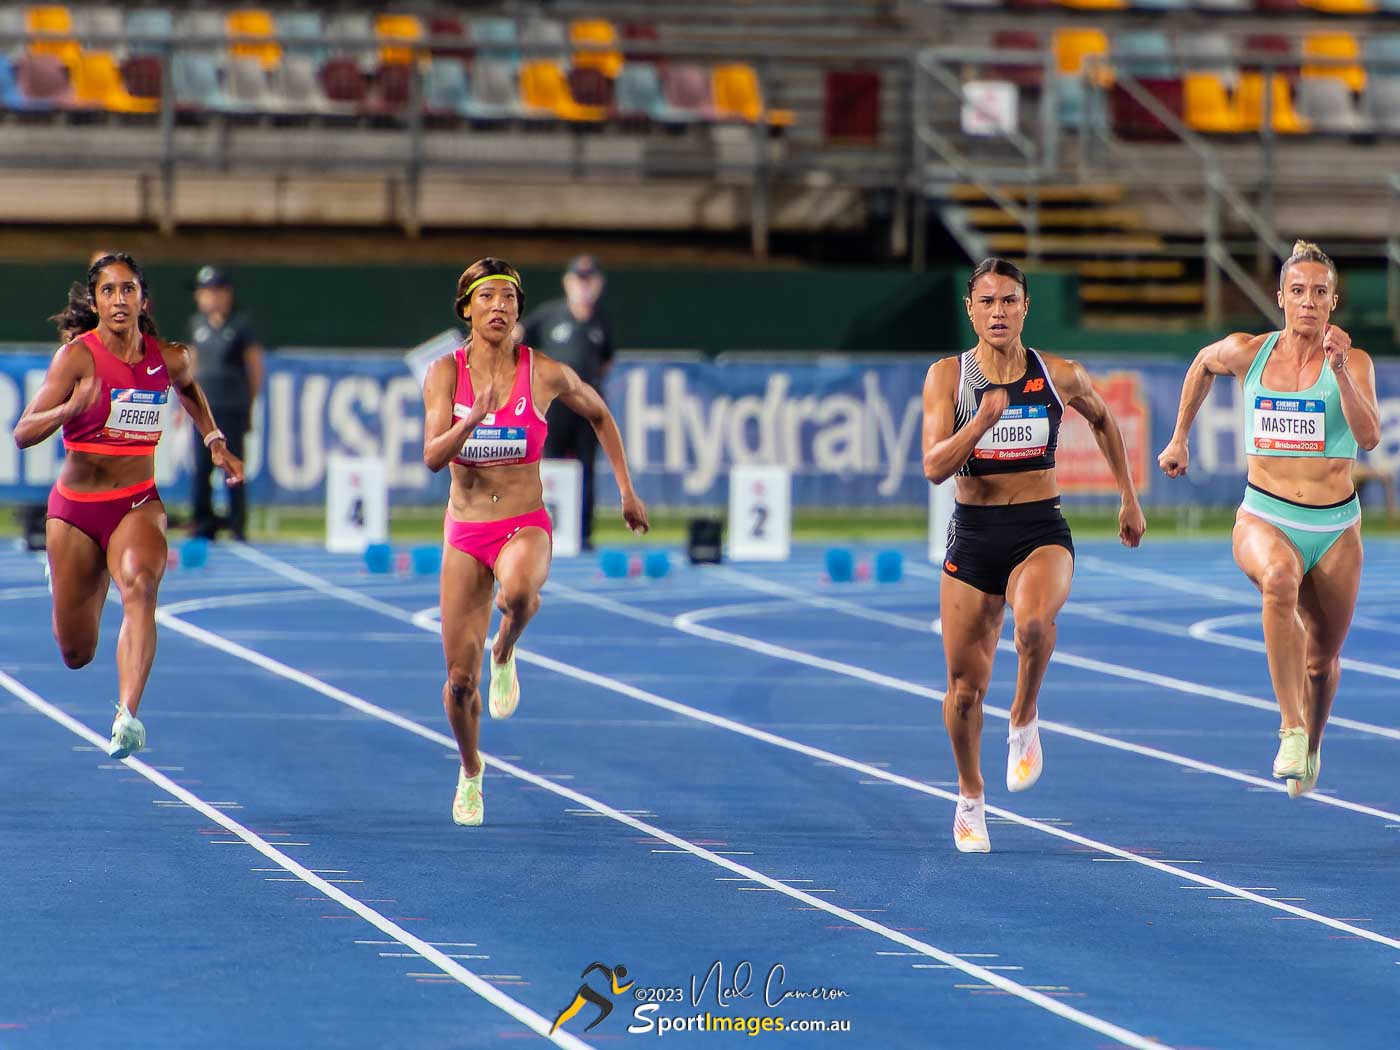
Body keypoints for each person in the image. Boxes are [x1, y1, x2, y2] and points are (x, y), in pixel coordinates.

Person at [922, 258, 1146, 853]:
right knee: (964, 689)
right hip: (972, 535)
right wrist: (981, 423)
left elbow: (1104, 421)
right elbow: (934, 467)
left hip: (1038, 527)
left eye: (1009, 301)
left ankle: (1023, 719)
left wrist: (1128, 495)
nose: (998, 312)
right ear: (969, 309)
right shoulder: (948, 378)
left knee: (1035, 623)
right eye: (987, 301)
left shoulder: (1058, 374)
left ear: (1026, 308)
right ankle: (970, 798)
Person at [423, 257, 648, 826]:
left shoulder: (542, 371)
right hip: (466, 532)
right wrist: (470, 420)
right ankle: (471, 770)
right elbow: (431, 457)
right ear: (467, 308)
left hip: (524, 522)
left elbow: (600, 415)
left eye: (510, 298)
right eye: (488, 297)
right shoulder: (444, 374)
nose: (500, 307)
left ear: (520, 311)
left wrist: (626, 490)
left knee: (517, 596)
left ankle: (505, 648)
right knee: (457, 684)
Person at [1158, 240, 1379, 799]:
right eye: (1298, 291)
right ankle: (1290, 726)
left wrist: (1339, 372)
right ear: (1280, 297)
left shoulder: (1353, 362)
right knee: (1278, 581)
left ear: (1334, 302)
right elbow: (1201, 364)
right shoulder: (1248, 352)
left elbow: (1370, 436)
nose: (1309, 302)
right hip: (1264, 513)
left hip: (1334, 527)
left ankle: (1312, 742)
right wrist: (1180, 436)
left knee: (1322, 661)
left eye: (1320, 293)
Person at [13, 253, 244, 758]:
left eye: (128, 290)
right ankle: (75, 575)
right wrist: (71, 407)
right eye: (109, 291)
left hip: (136, 502)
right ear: (96, 302)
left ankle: (127, 715)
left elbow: (189, 391)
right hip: (75, 511)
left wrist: (214, 440)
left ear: (143, 299)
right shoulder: (76, 358)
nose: (119, 300)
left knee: (141, 585)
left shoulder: (172, 357)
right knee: (76, 651)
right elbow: (23, 433)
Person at [519, 255, 615, 550]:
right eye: (578, 280)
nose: (584, 287)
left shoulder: (601, 321)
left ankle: (583, 533)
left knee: (586, 467)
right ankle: (543, 529)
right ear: (568, 282)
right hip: (554, 403)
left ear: (598, 285)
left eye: (589, 281)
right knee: (549, 463)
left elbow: (607, 360)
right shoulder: (551, 315)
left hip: (587, 402)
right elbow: (519, 334)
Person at [188, 265, 263, 541]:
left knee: (232, 464)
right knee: (201, 468)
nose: (207, 298)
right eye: (203, 292)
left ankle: (236, 522)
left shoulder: (240, 327)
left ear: (225, 293)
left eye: (212, 292)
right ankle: (203, 522)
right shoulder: (197, 325)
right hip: (202, 410)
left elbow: (254, 366)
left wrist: (249, 404)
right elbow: (191, 366)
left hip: (231, 407)